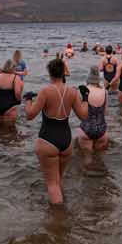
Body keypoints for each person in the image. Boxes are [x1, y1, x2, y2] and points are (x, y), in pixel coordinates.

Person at [23, 58, 86, 205]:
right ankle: (61, 208)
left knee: (52, 183)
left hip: (47, 139)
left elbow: (30, 115)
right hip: (66, 140)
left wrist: (27, 100)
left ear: (50, 73)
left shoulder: (45, 92)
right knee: (58, 180)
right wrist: (86, 99)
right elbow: (83, 116)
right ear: (64, 72)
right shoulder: (73, 92)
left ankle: (58, 220)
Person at [76, 82, 110, 152]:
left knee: (87, 159)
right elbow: (106, 112)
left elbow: (81, 113)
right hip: (101, 129)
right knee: (100, 159)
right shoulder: (104, 91)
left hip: (86, 128)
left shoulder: (82, 91)